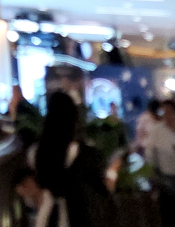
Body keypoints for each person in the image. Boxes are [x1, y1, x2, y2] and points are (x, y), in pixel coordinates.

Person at [30, 91, 114, 227]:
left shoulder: (36, 153)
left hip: (47, 215)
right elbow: (102, 187)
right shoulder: (84, 153)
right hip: (78, 215)